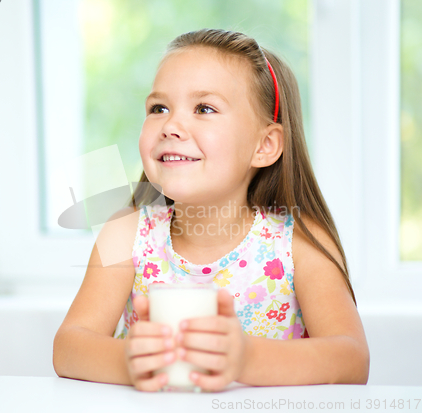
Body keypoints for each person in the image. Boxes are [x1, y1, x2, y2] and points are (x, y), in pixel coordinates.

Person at [53, 28, 370, 392]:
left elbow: (352, 359)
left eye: (204, 108)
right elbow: (68, 347)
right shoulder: (123, 233)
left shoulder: (299, 242)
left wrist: (247, 359)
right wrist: (127, 361)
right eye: (159, 108)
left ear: (265, 145)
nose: (171, 125)